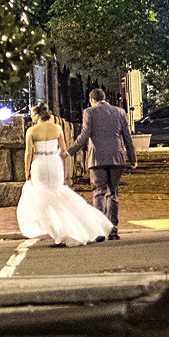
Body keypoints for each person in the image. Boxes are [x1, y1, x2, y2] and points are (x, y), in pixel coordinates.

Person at [17, 103, 112, 247]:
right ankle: (81, 230)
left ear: (37, 114)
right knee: (59, 195)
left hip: (39, 164)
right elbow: (63, 151)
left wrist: (26, 171)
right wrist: (64, 170)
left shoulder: (31, 131)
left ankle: (60, 234)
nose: (31, 117)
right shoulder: (57, 128)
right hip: (54, 162)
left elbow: (28, 153)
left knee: (43, 198)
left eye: (32, 114)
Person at [69, 87, 135, 237]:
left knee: (98, 192)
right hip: (116, 158)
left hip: (97, 158)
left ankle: (99, 229)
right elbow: (127, 137)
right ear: (105, 98)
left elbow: (85, 135)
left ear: (92, 99)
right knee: (113, 193)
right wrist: (132, 158)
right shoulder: (120, 112)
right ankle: (113, 229)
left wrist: (70, 151)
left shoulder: (89, 112)